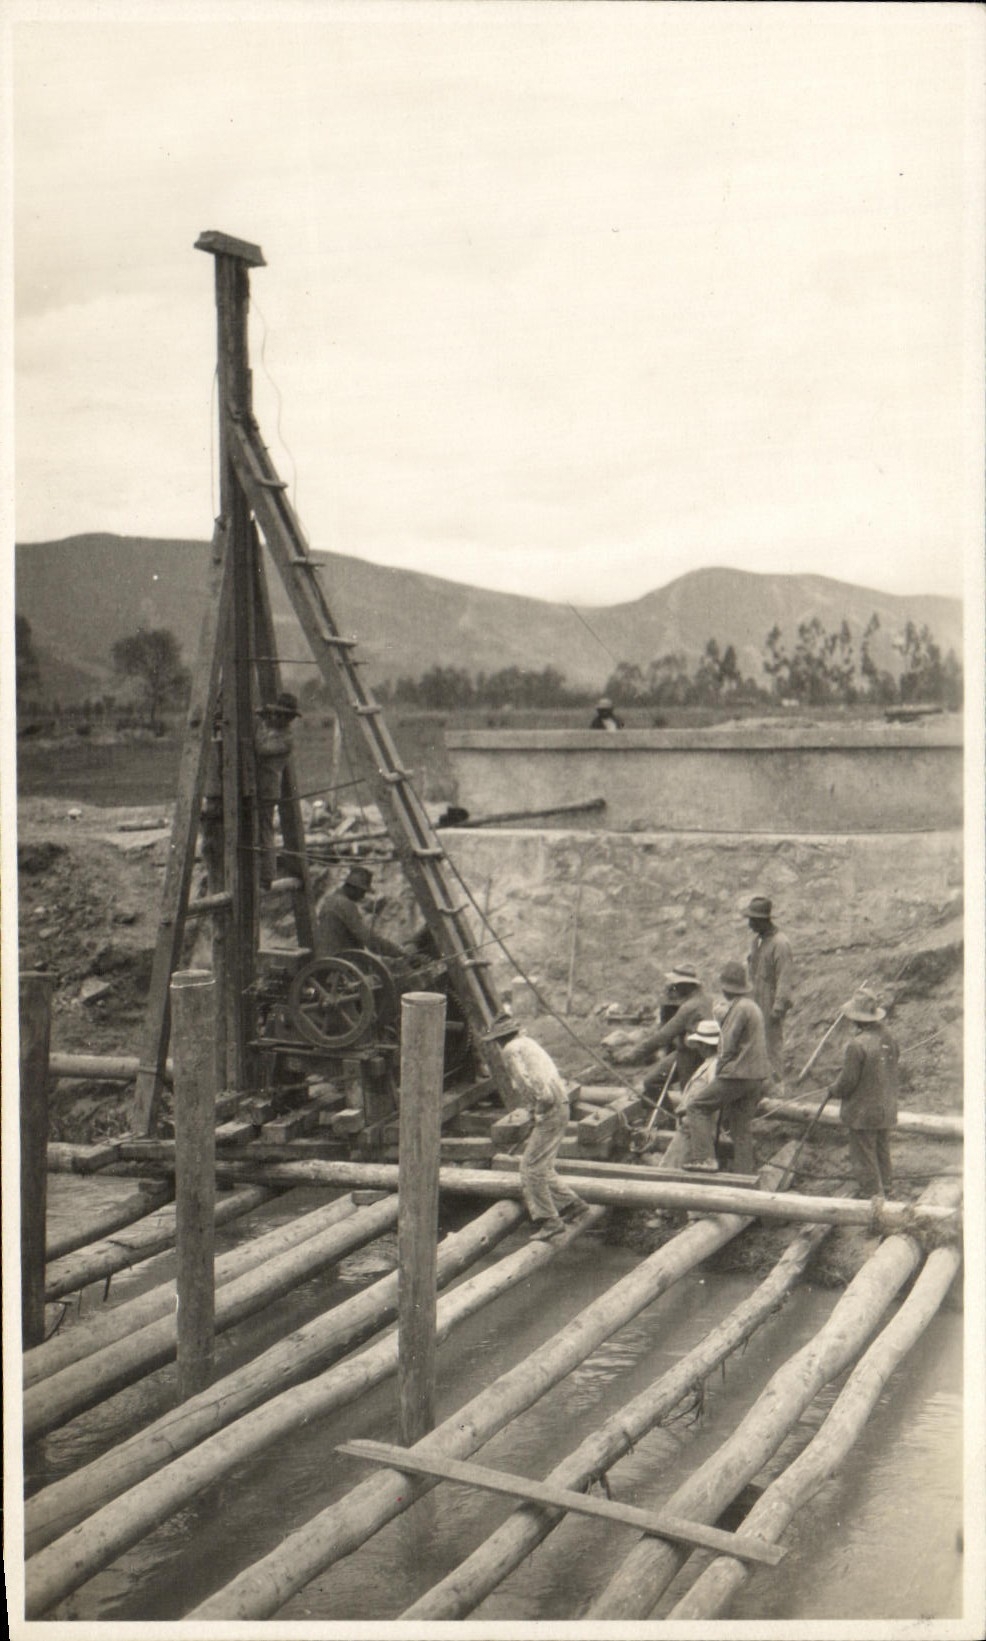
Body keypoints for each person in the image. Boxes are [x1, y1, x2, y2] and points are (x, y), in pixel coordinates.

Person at [484, 1013, 591, 1240]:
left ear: (500, 1038)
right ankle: (573, 1204)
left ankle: (549, 1220)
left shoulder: (510, 1050)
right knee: (542, 1166)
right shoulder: (528, 1043)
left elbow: (529, 1083)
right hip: (561, 1105)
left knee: (529, 1168)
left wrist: (539, 1109)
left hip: (550, 1106)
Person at [680, 961, 769, 1174]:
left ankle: (704, 1159)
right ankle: (745, 1176)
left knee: (697, 1106)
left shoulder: (739, 1008)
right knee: (741, 1129)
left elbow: (726, 1045)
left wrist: (719, 1072)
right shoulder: (752, 1007)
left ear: (726, 988)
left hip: (738, 1074)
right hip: (756, 1077)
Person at [828, 989, 899, 1198]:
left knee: (864, 1155)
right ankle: (887, 1188)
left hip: (863, 1112)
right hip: (886, 1108)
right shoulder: (889, 1038)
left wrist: (834, 1090)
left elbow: (848, 1082)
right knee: (882, 1149)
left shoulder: (856, 1045)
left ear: (857, 1019)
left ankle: (873, 1198)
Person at [613, 963, 711, 1097]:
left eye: (676, 985)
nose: (673, 988)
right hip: (687, 1052)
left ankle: (676, 1116)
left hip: (693, 1056)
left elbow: (662, 1037)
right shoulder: (706, 1000)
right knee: (652, 1081)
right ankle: (667, 1117)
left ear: (686, 985)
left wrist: (633, 1055)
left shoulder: (690, 1007)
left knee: (689, 1096)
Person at [654, 1019, 721, 1171]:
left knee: (670, 1169)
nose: (698, 1048)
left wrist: (688, 1109)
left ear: (704, 1045)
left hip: (695, 1129)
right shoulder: (708, 1063)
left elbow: (713, 1095)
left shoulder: (714, 1066)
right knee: (671, 1166)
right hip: (689, 1126)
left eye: (700, 1045)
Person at [745, 895, 794, 1089]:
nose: (750, 924)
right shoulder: (757, 941)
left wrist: (779, 1006)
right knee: (756, 1042)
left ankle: (777, 1086)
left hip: (770, 1000)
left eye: (753, 920)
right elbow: (752, 971)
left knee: (772, 1044)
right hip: (756, 998)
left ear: (763, 919)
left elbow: (785, 976)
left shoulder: (781, 943)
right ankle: (760, 1084)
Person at [254, 692, 301, 888]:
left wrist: (257, 723)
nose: (277, 717)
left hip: (267, 788)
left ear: (289, 718)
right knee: (259, 828)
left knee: (265, 829)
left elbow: (261, 749)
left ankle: (267, 874)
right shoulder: (274, 730)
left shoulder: (286, 739)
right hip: (259, 786)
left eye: (282, 715)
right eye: (276, 714)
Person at [315, 864, 407, 962]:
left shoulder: (331, 899)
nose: (363, 895)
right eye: (362, 891)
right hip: (339, 962)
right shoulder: (345, 905)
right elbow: (369, 940)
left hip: (328, 959)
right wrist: (397, 951)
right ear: (354, 888)